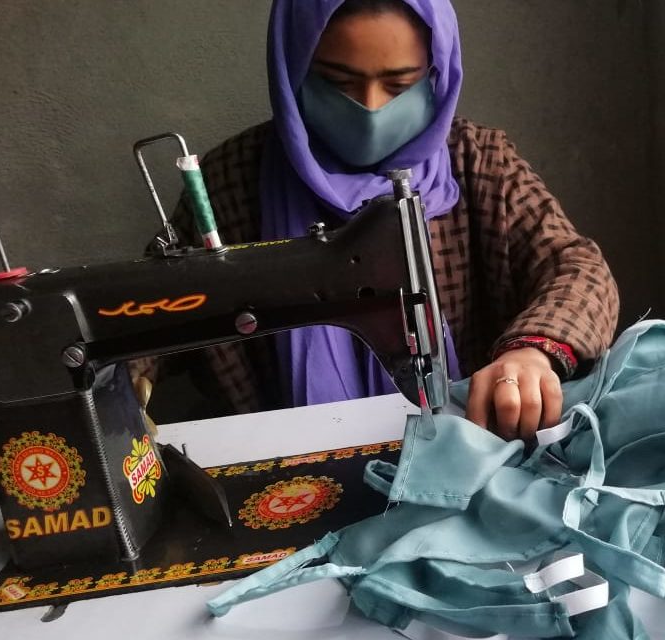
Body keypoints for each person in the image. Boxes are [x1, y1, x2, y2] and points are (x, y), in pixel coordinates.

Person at [148, 0, 618, 442]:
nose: (370, 108)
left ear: (436, 73)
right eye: (337, 82)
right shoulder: (228, 180)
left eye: (398, 84)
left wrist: (531, 351)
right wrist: (128, 383)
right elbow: (155, 312)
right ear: (293, 66)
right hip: (287, 465)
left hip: (473, 443)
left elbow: (578, 268)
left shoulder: (477, 160)